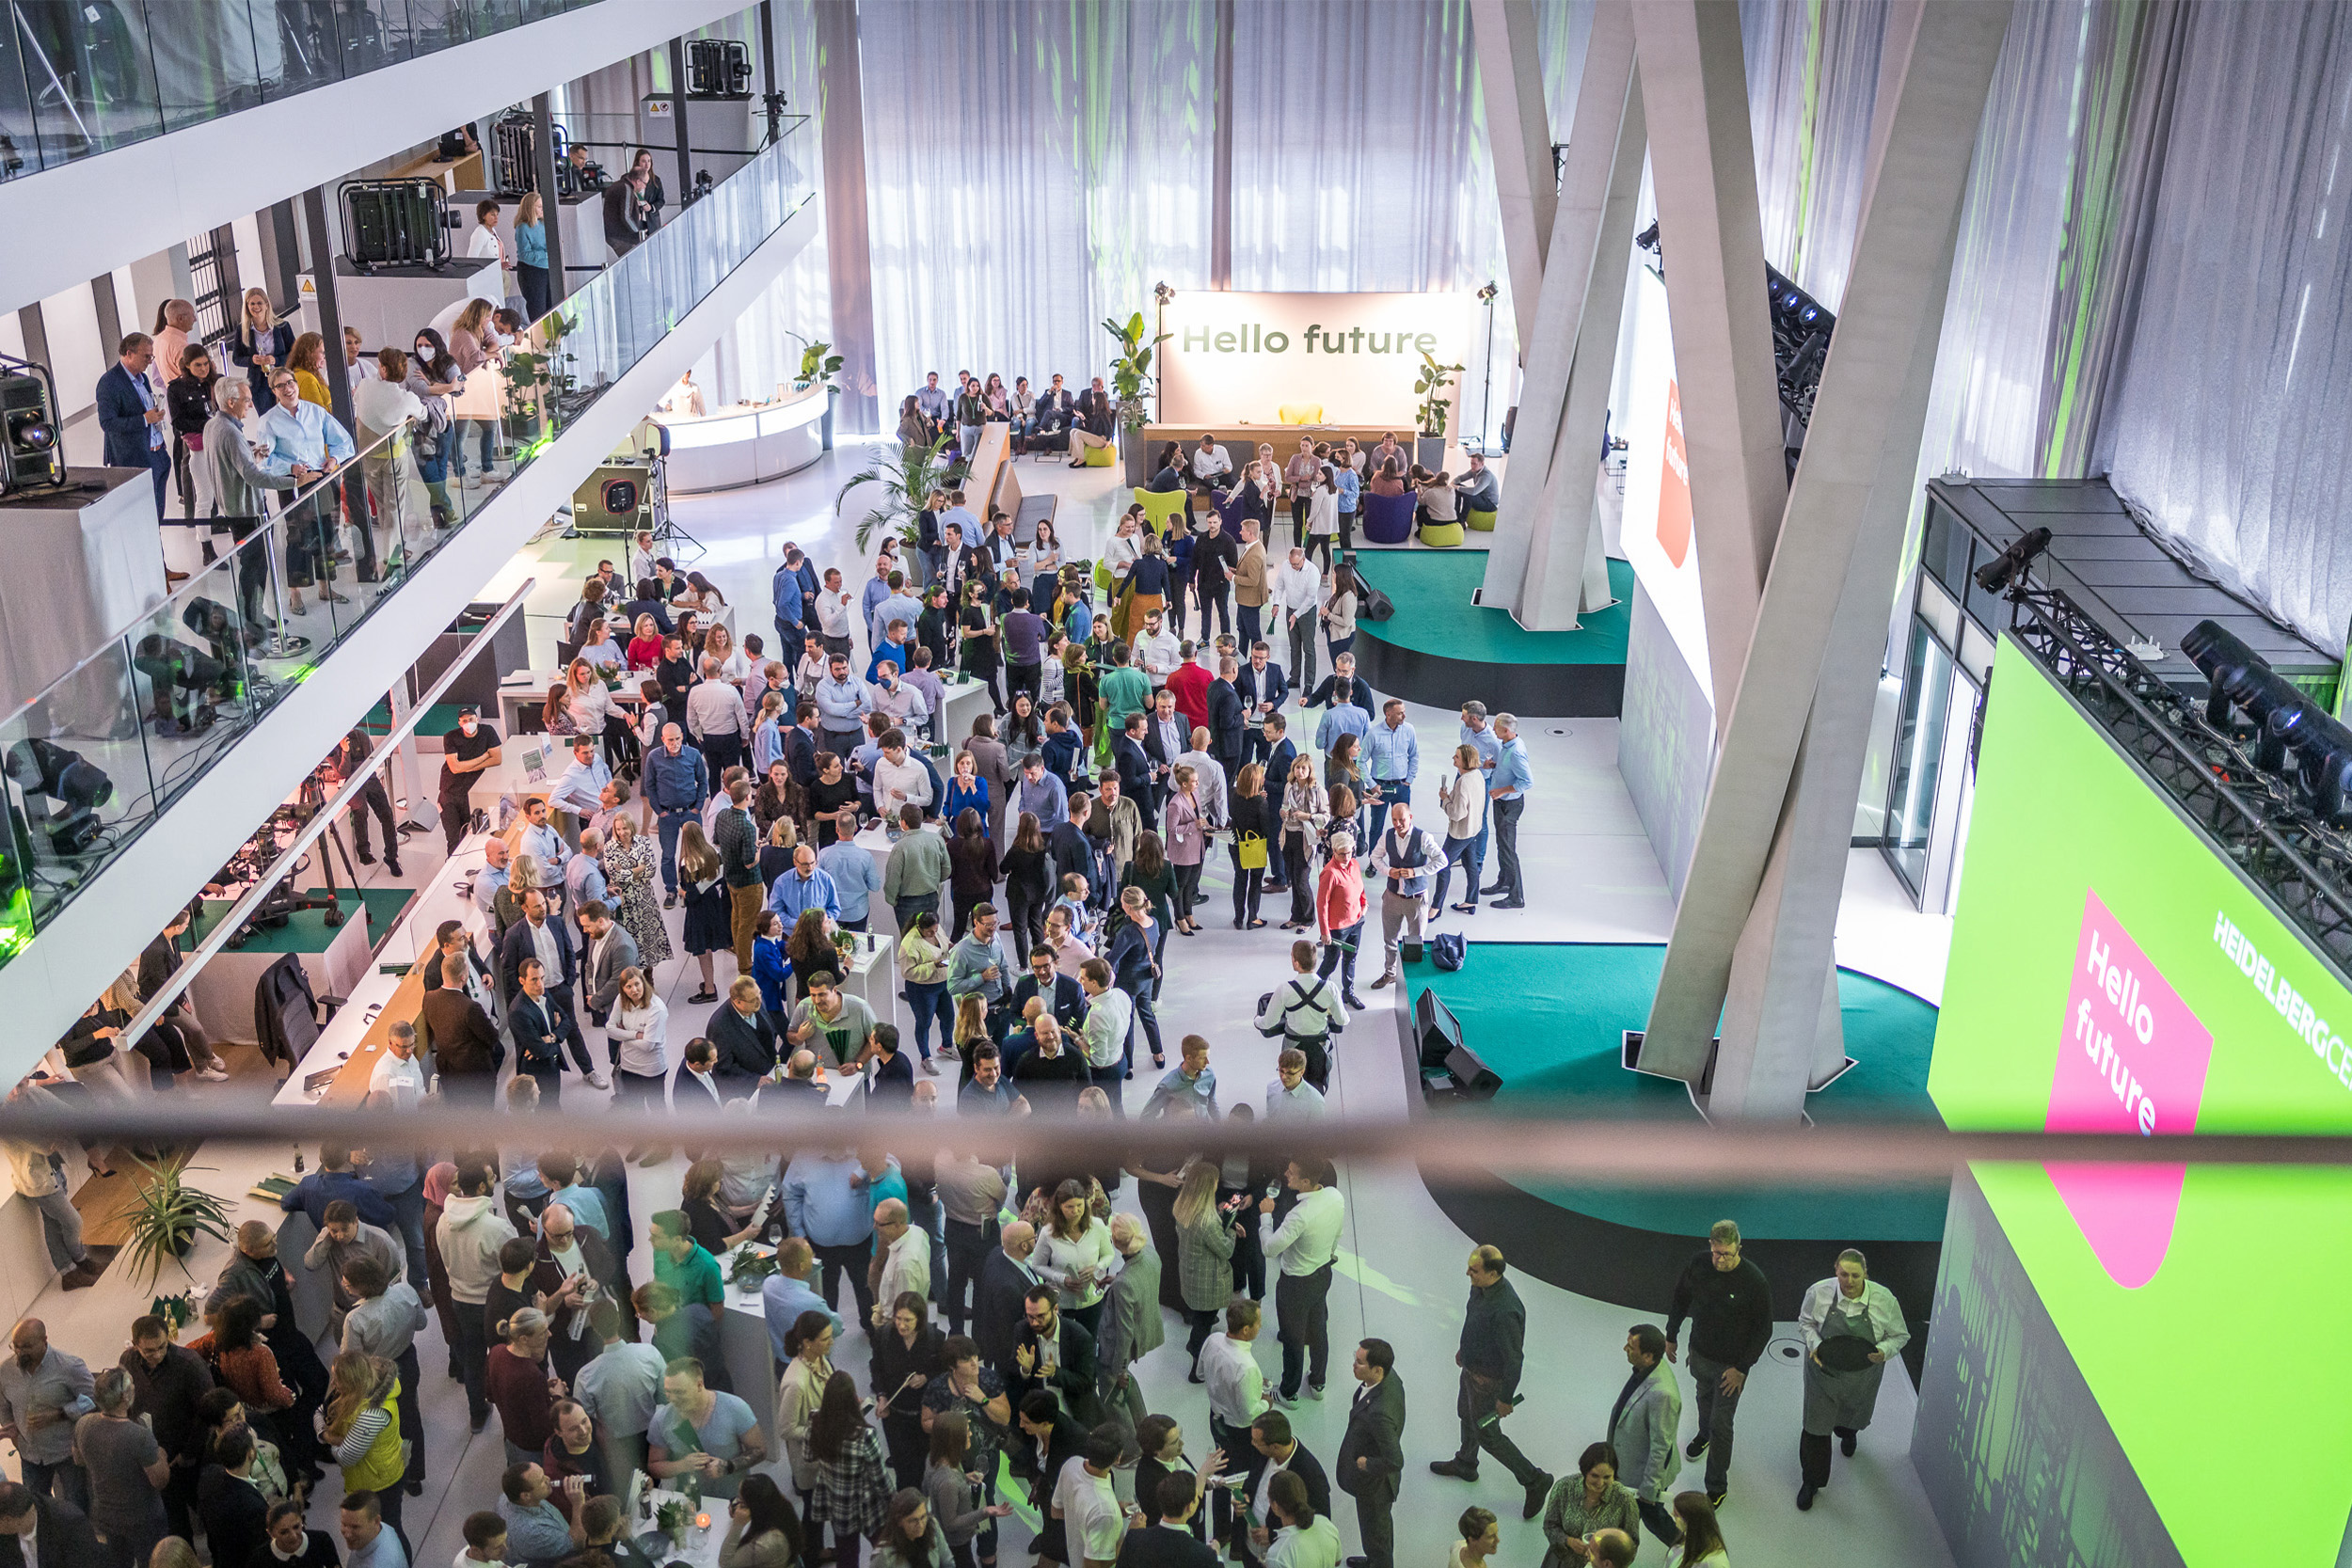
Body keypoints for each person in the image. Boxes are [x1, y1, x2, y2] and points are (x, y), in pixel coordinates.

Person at [1429, 1245, 1552, 1519]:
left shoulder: (1506, 1310)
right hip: (1472, 1372)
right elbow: (1473, 1320)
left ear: (1493, 1274)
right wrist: (1466, 1349)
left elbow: (1514, 1359)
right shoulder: (1480, 1289)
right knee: (1466, 1415)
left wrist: (1505, 1397)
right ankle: (1466, 1462)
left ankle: (1534, 1480)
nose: (1467, 1273)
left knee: (1489, 1435)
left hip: (1488, 1383)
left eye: (1474, 1270)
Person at [1664, 1221, 1770, 1509]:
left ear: (1739, 1248)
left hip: (1731, 1367)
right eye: (1716, 1253)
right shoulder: (1698, 1264)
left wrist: (1742, 1368)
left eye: (1727, 1254)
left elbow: (1763, 1329)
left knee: (1722, 1423)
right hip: (1700, 1353)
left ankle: (1716, 1485)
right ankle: (1703, 1434)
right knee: (1702, 1397)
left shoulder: (1753, 1280)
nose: (1720, 1260)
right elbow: (1680, 1298)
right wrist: (1671, 1334)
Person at [1794, 1247, 1908, 1510]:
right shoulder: (1818, 1292)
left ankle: (1848, 1433)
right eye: (1843, 1274)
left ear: (1866, 1274)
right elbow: (1805, 1322)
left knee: (1850, 1417)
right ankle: (1811, 1481)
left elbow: (1900, 1336)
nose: (1849, 1281)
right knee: (1815, 1428)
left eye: (1856, 1275)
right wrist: (1816, 1346)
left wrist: (1884, 1352)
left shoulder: (1885, 1300)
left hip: (1862, 1376)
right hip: (1823, 1373)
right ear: (1836, 1270)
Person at [1257, 1159, 1340, 1405]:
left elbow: (1270, 1249)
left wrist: (1266, 1217)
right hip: (1322, 1273)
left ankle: (1289, 1392)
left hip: (1294, 1284)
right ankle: (1318, 1381)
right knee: (1318, 1329)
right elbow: (1337, 1235)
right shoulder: (1335, 1197)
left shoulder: (1299, 1215)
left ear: (1305, 1181)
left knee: (1293, 1340)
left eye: (1291, 1173)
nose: (1285, 1174)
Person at [71, 1366, 166, 1568]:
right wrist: (162, 1456)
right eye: (131, 1384)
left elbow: (78, 1459)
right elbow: (159, 1481)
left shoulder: (83, 1424)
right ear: (124, 1397)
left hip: (106, 1516)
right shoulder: (139, 1435)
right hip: (143, 1518)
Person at [1, 1317, 95, 1505]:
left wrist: (59, 1414)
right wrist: (13, 1432)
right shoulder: (6, 1371)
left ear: (44, 1341)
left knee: (74, 1505)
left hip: (66, 1451)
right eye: (16, 1346)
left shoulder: (70, 1366)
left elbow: (93, 1400)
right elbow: (3, 1406)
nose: (20, 1352)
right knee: (36, 1507)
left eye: (26, 1346)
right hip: (30, 1453)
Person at [1331, 1338, 1403, 1568]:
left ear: (1377, 1370)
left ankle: (1378, 1563)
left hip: (1374, 1487)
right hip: (1373, 1477)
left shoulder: (1379, 1413)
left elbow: (1395, 1460)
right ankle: (1374, 1560)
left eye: (1360, 1363)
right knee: (1376, 1534)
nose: (1354, 1365)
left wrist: (1366, 1464)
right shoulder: (1390, 1379)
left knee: (1376, 1536)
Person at [648, 1357, 764, 1498]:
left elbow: (760, 1450)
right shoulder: (662, 1419)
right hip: (689, 1499)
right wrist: (682, 1465)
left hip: (734, 1497)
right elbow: (654, 1465)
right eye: (668, 1392)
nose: (672, 1399)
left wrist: (728, 1466)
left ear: (699, 1385)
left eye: (679, 1392)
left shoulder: (735, 1408)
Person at [810, 1370, 892, 1568]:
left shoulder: (815, 1420)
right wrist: (894, 1501)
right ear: (852, 1399)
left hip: (839, 1503)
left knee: (847, 1556)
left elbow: (808, 1455)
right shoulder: (865, 1435)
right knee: (886, 1553)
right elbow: (880, 1478)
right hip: (868, 1505)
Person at [98, 333, 173, 526]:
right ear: (129, 354)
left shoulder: (143, 378)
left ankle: (158, 555)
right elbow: (108, 423)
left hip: (157, 455)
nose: (150, 361)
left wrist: (153, 416)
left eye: (151, 356)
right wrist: (143, 419)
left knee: (157, 516)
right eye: (146, 356)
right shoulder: (109, 383)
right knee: (144, 519)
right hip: (135, 459)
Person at [1239, 1414, 1327, 1568]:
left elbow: (1317, 1523)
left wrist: (1273, 1535)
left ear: (1274, 1446)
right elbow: (1252, 1479)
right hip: (1251, 1549)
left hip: (1279, 1557)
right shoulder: (1263, 1453)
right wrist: (1244, 1496)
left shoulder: (1311, 1475)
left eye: (1256, 1441)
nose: (1252, 1443)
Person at [1536, 1442, 1642, 1568]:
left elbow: (1632, 1544)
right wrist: (1568, 1541)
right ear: (1585, 1471)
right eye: (1594, 1476)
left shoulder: (1625, 1500)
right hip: (1562, 1561)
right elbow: (1550, 1525)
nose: (1600, 1483)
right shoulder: (1564, 1488)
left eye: (1607, 1477)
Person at [1311, 834, 1368, 1010]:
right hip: (1337, 928)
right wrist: (1325, 931)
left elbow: (1360, 887)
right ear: (1334, 851)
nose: (1346, 858)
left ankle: (1348, 992)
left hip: (1356, 923)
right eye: (1342, 854)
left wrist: (1364, 904)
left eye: (1349, 853)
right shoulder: (1329, 873)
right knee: (1331, 961)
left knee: (1351, 958)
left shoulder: (1355, 865)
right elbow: (1322, 903)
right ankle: (1314, 992)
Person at [1482, 714, 1531, 909]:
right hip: (1501, 803)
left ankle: (1516, 896)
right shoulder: (1507, 745)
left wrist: (1502, 790)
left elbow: (1527, 781)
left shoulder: (1516, 752)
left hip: (1509, 805)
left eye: (1496, 728)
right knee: (1502, 846)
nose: (1493, 730)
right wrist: (1496, 766)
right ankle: (1503, 882)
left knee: (1508, 850)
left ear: (1507, 730)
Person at [1668, 1492, 1728, 1567]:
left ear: (1691, 1521)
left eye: (1676, 1515)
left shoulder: (1715, 1562)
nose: (1672, 1515)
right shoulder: (1680, 1546)